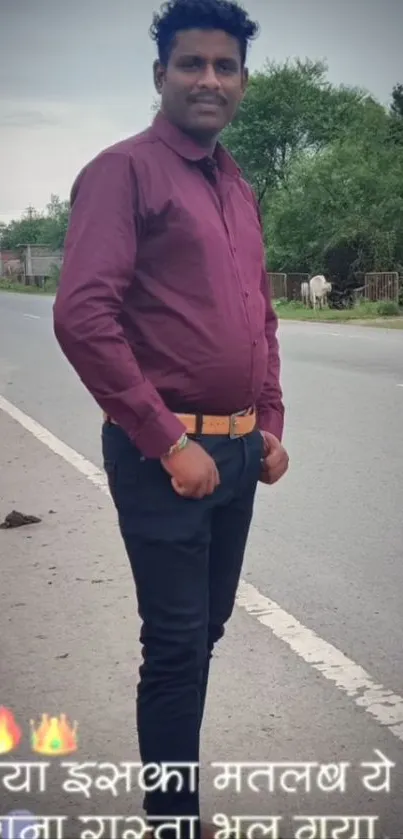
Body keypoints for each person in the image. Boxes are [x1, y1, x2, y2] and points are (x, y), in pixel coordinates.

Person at [53, 0, 289, 835]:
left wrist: (270, 420)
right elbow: (83, 316)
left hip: (235, 457)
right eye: (191, 64)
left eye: (224, 67)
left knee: (206, 632)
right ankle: (173, 819)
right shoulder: (125, 172)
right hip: (168, 458)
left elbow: (259, 315)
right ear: (160, 76)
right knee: (179, 644)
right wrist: (166, 440)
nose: (209, 80)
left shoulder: (236, 185)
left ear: (243, 84)